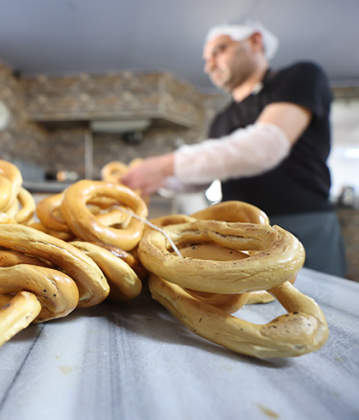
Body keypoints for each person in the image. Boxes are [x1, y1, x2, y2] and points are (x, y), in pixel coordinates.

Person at [120, 20, 347, 277]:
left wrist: (165, 164)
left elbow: (265, 146)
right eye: (206, 59)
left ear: (255, 42)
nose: (209, 65)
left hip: (303, 224)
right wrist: (156, 180)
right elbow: (201, 179)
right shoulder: (222, 119)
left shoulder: (300, 76)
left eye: (220, 50)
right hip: (239, 233)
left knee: (323, 305)